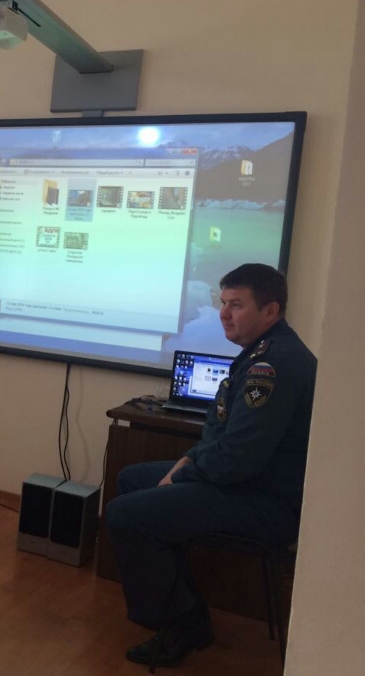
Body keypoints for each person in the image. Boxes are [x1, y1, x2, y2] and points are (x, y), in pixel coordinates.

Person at [104, 263, 317, 667]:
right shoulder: (262, 352)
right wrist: (189, 460)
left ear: (270, 311)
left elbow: (239, 457)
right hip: (244, 484)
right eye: (223, 303)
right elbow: (222, 436)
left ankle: (179, 624)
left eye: (237, 305)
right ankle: (187, 610)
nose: (224, 314)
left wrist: (184, 472)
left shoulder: (274, 365)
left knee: (124, 515)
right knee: (131, 480)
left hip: (264, 502)